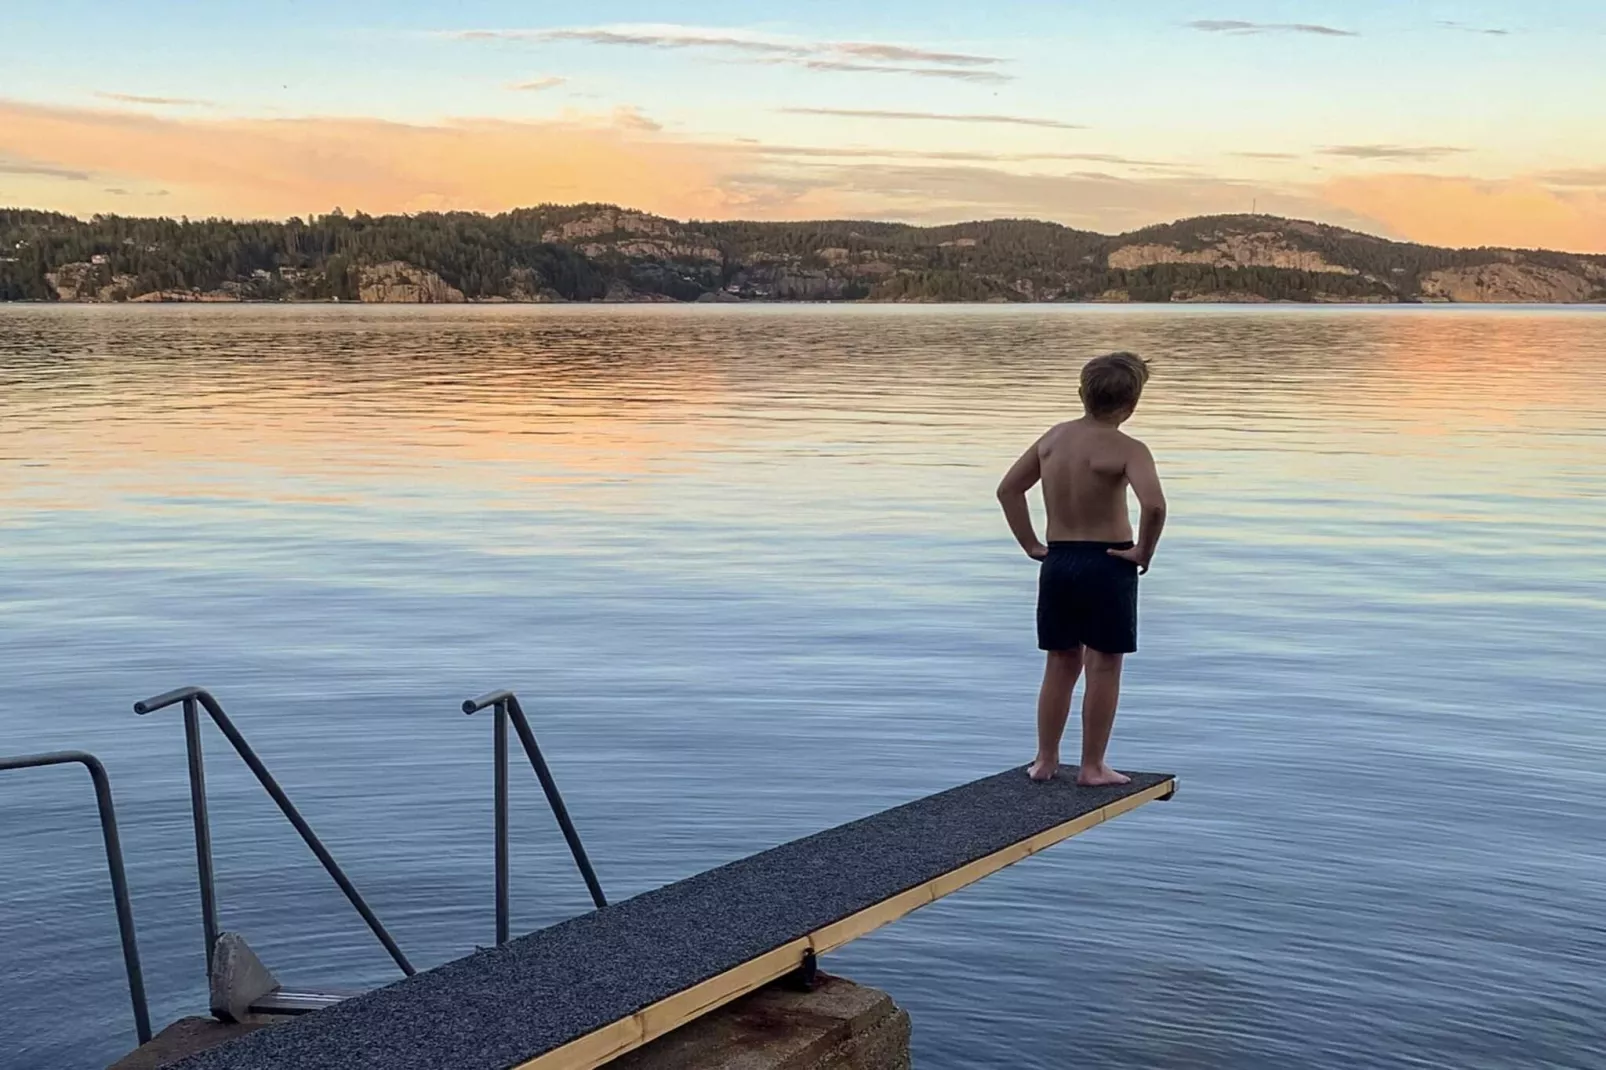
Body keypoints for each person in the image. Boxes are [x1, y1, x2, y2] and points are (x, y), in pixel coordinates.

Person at [995, 352, 1167, 786]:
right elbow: (1155, 505)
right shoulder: (1128, 449)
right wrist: (1143, 551)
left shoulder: (1053, 439)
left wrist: (1031, 544)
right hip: (1108, 561)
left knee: (1060, 661)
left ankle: (1045, 760)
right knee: (1104, 664)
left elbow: (1008, 490)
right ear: (1132, 405)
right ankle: (1092, 766)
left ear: (1081, 393)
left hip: (1059, 560)